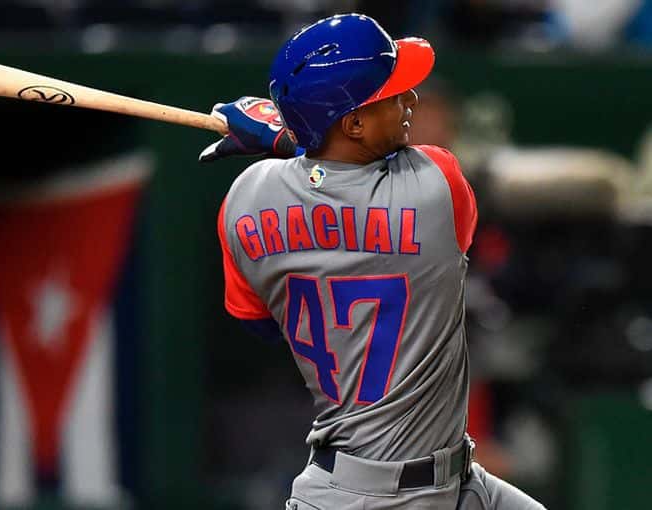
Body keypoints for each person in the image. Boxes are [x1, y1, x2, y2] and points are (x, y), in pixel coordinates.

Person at [199, 13, 545, 510]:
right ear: (354, 124)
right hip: (371, 498)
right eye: (391, 95)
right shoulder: (437, 184)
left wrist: (298, 139)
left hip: (450, 479)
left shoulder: (246, 198)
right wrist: (285, 135)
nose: (411, 100)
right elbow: (367, 179)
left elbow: (262, 324)